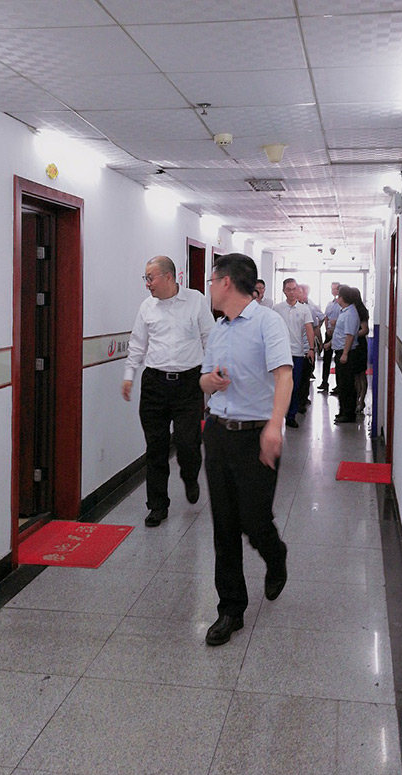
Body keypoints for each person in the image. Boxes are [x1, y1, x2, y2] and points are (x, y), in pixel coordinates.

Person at [200, 253, 293, 646]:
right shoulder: (218, 329)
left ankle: (275, 555)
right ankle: (230, 609)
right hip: (218, 432)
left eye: (211, 280)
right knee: (224, 525)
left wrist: (274, 425)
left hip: (256, 436)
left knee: (254, 519)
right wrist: (212, 382)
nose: (208, 287)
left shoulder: (267, 321)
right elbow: (202, 381)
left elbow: (284, 376)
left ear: (226, 282)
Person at [122, 255, 215, 527]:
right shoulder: (147, 307)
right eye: (146, 278)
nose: (147, 284)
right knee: (156, 447)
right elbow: (138, 343)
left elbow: (210, 338)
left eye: (150, 278)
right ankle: (157, 505)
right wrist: (129, 375)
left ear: (168, 277)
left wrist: (212, 376)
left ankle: (190, 476)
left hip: (188, 384)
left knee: (187, 443)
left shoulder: (195, 300)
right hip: (154, 384)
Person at [273, 278, 315, 427]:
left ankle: (291, 415)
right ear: (284, 291)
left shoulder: (304, 309)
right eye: (288, 289)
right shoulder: (277, 309)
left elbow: (309, 329)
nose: (291, 292)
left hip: (297, 353)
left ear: (298, 291)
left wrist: (311, 349)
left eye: (294, 289)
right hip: (280, 354)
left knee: (295, 386)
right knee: (279, 386)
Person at [329, 285, 361, 423]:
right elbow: (341, 333)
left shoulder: (350, 314)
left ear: (342, 298)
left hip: (346, 353)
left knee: (347, 385)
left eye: (338, 296)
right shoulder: (345, 311)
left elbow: (349, 336)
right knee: (342, 384)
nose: (337, 298)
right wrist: (330, 344)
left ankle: (348, 414)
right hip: (340, 351)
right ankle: (343, 411)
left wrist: (345, 354)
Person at [295, 283, 324, 413]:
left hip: (306, 348)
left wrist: (318, 344)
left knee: (305, 376)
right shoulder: (285, 309)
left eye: (301, 292)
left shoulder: (309, 309)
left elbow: (315, 328)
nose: (298, 294)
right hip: (293, 349)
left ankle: (302, 401)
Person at [318, 282, 341, 394]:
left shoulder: (342, 304)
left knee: (338, 360)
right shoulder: (329, 304)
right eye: (332, 289)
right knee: (326, 360)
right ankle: (324, 382)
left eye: (335, 289)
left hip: (339, 334)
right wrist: (327, 329)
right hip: (329, 333)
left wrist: (335, 325)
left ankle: (338, 385)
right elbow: (326, 317)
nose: (333, 291)